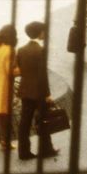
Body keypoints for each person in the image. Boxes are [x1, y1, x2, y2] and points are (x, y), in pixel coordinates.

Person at [16, 21, 58, 160]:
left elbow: (20, 70)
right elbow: (42, 75)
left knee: (24, 122)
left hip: (25, 90)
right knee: (43, 119)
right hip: (39, 92)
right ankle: (46, 149)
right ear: (40, 33)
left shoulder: (21, 50)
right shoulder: (41, 51)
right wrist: (47, 94)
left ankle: (23, 152)